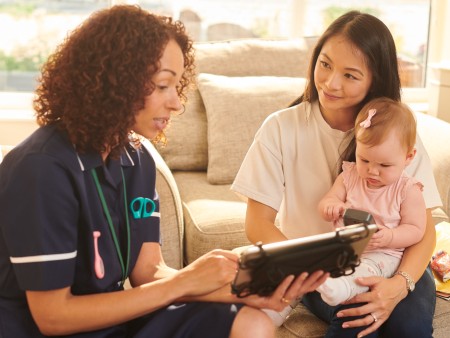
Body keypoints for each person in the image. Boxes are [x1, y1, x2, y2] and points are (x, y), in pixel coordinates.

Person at [0, 5, 328, 338]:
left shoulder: (136, 159)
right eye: (161, 86)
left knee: (252, 321)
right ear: (114, 83)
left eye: (176, 86)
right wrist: (186, 281)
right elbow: (53, 317)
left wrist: (242, 291)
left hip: (115, 319)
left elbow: (149, 272)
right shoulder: (41, 169)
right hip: (47, 329)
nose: (177, 103)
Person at [231, 10, 441, 338]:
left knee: (408, 327)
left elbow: (424, 230)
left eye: (350, 75)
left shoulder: (395, 135)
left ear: (375, 79)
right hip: (325, 268)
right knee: (355, 317)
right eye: (325, 64)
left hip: (397, 259)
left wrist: (398, 286)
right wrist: (308, 270)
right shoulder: (280, 128)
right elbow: (257, 223)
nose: (331, 83)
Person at [316, 97, 426, 307]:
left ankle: (342, 289)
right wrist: (331, 206)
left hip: (384, 254)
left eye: (385, 165)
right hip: (343, 249)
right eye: (364, 160)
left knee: (368, 268)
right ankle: (279, 307)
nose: (372, 171)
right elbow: (327, 201)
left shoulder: (407, 189)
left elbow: (416, 229)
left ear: (408, 157)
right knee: (309, 266)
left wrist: (391, 236)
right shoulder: (349, 176)